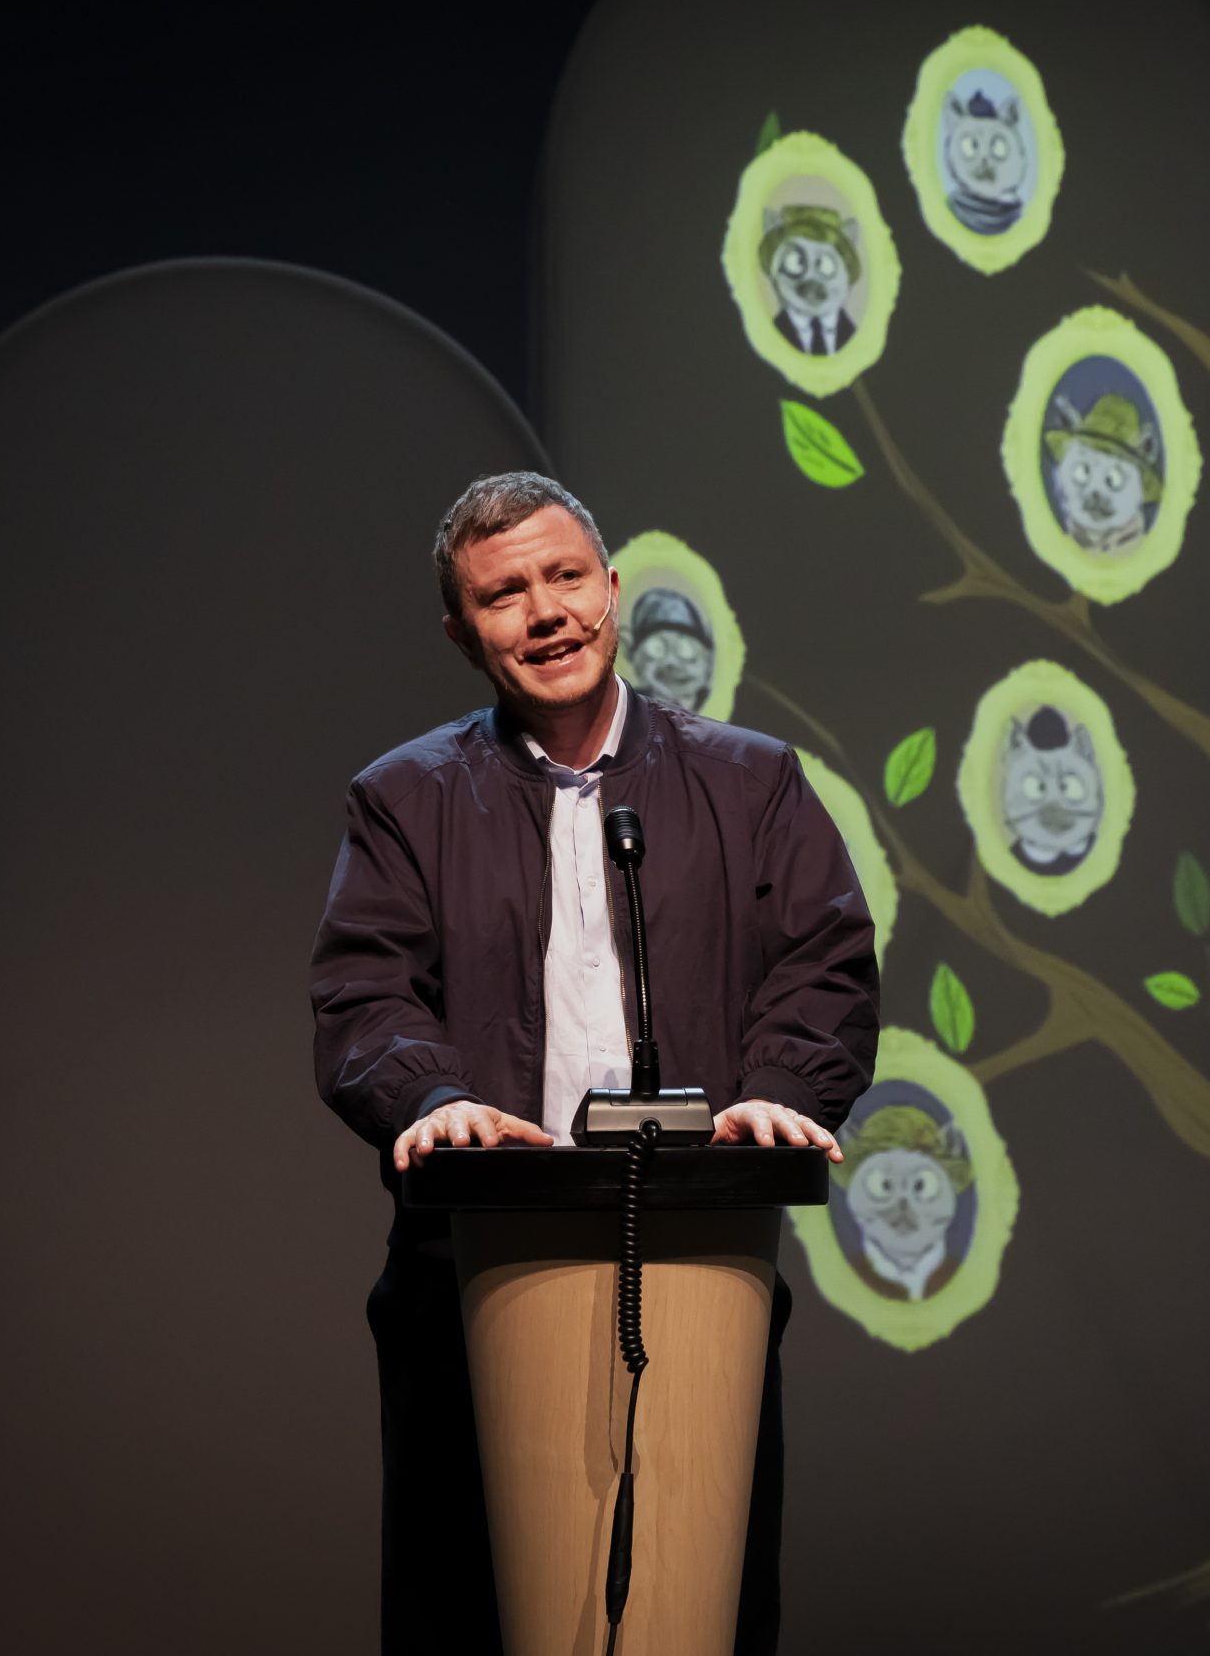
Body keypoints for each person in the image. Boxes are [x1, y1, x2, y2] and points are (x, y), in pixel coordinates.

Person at [310, 470, 880, 1654]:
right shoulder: (407, 799)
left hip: (692, 1261)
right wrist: (439, 1098)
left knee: (695, 1600)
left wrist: (777, 1091)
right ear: (465, 631)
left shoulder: (751, 780)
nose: (546, 612)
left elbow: (823, 963)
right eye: (505, 594)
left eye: (566, 577)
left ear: (613, 589)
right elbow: (363, 992)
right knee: (462, 1607)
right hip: (465, 1269)